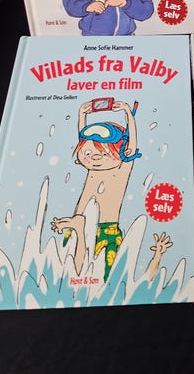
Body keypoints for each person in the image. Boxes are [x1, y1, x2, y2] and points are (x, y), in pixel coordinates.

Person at [51, 99, 141, 281]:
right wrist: (82, 114)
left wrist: (128, 114)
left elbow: (131, 146)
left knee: (102, 279)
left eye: (104, 153)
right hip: (77, 225)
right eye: (88, 154)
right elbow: (84, 143)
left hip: (105, 231)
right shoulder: (92, 169)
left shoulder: (121, 168)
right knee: (67, 274)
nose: (94, 158)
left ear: (122, 153)